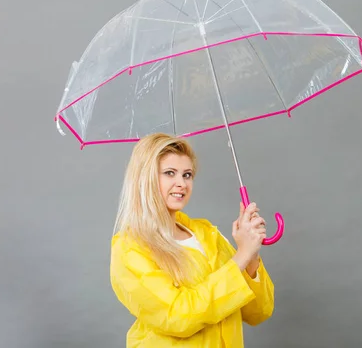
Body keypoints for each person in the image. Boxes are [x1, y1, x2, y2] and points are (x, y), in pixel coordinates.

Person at [109, 132, 274, 347]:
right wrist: (241, 255)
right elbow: (178, 315)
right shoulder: (131, 247)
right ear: (145, 178)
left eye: (187, 175)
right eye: (170, 173)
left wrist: (251, 255)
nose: (181, 184)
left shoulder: (205, 233)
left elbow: (258, 312)